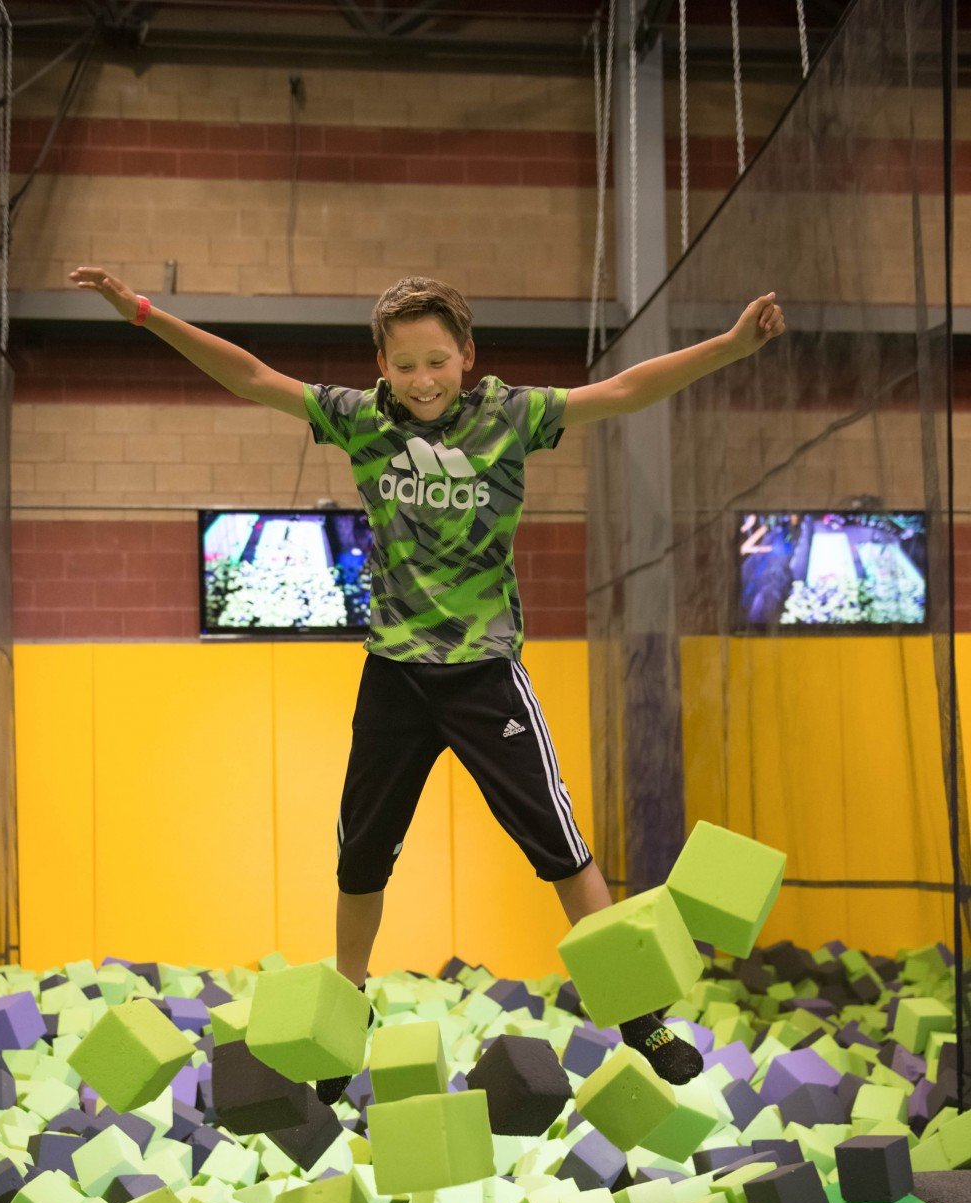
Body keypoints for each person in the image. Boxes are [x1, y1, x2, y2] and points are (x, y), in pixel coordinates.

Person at [68, 265, 785, 1102]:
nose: (422, 380)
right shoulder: (362, 420)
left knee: (560, 846)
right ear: (381, 365)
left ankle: (637, 1013)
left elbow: (625, 391)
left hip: (485, 672)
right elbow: (254, 375)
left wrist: (733, 346)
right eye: (405, 365)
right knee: (360, 857)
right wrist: (146, 313)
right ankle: (345, 1007)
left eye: (437, 361)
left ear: (467, 356)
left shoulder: (512, 416)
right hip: (396, 677)